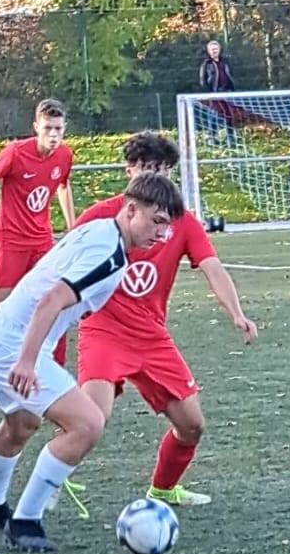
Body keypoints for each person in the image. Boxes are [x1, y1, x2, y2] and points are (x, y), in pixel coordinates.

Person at [0, 172, 184, 553]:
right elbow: (52, 300)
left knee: (22, 424)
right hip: (13, 344)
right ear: (131, 209)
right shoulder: (108, 253)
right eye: (157, 221)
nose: (162, 234)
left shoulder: (103, 232)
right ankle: (25, 521)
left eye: (167, 225)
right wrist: (27, 361)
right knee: (87, 424)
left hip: (3, 335)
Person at [70, 131, 258, 509]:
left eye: (162, 168)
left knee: (192, 425)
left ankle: (162, 490)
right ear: (129, 171)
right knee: (91, 419)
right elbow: (62, 266)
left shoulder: (182, 222)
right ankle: (54, 475)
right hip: (103, 330)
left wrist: (236, 312)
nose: (155, 175)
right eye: (146, 167)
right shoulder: (100, 216)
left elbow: (213, 267)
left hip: (152, 337)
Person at [0, 98, 75, 403]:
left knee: (53, 302)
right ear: (36, 127)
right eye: (48, 128)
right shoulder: (16, 153)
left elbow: (63, 186)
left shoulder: (64, 155)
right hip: (10, 242)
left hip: (41, 242)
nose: (53, 135)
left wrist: (72, 225)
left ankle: (55, 370)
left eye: (58, 129)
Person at [198, 39, 237, 145]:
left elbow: (230, 75)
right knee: (214, 115)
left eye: (216, 49)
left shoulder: (225, 62)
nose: (215, 51)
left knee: (229, 115)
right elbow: (203, 80)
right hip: (214, 93)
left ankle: (231, 138)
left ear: (219, 50)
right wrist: (208, 93)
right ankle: (211, 136)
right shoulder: (206, 64)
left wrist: (231, 88)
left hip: (226, 92)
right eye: (212, 49)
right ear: (209, 51)